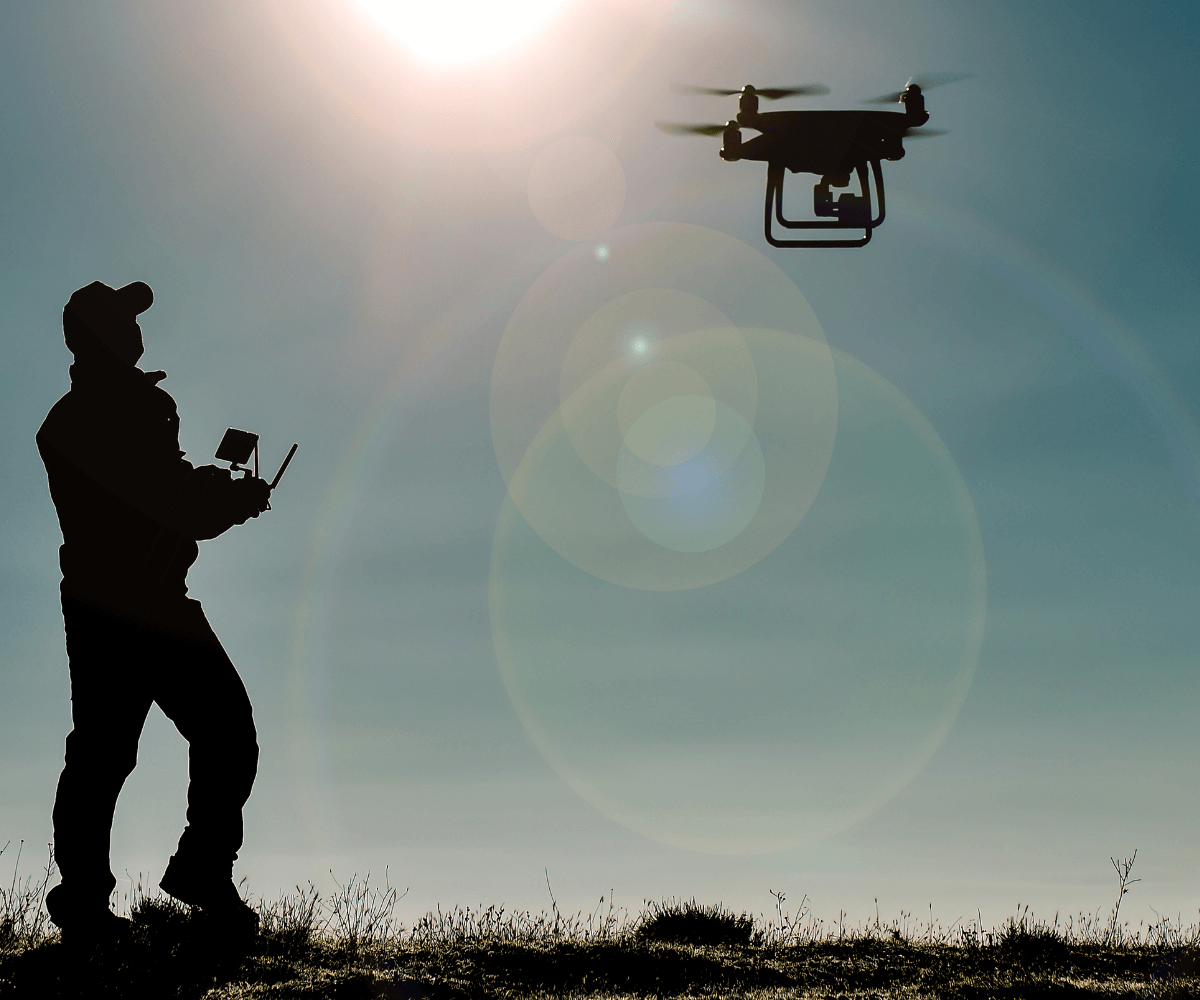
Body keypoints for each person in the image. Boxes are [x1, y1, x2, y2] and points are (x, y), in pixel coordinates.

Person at [36, 280, 272, 949]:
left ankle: (93, 900)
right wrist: (230, 497)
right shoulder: (130, 408)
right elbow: (163, 497)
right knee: (216, 731)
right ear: (109, 335)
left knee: (104, 755)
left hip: (108, 602)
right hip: (140, 605)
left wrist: (211, 493)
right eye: (128, 320)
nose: (140, 329)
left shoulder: (74, 417)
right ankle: (189, 875)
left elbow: (160, 490)